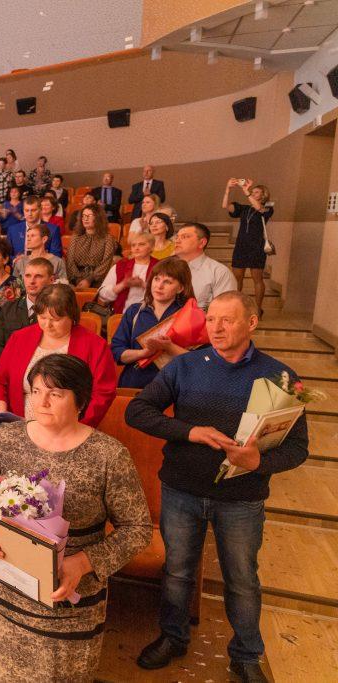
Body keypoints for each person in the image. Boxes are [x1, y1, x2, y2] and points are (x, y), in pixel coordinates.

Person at [126, 292, 308, 682]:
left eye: (227, 320)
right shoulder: (185, 366)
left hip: (241, 498)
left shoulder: (279, 376)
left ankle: (245, 655)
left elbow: (298, 448)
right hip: (182, 489)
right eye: (211, 321)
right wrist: (189, 431)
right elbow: (137, 411)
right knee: (177, 571)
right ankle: (172, 637)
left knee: (241, 579)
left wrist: (261, 462)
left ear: (252, 323)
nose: (217, 328)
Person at [0, 353, 151, 681]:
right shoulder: (7, 438)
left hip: (65, 609)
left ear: (80, 399)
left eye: (55, 393)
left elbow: (137, 529)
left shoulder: (107, 456)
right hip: (4, 598)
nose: (42, 401)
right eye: (36, 391)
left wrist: (82, 562)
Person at [0, 284, 116, 427]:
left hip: (70, 429)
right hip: (18, 425)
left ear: (72, 316)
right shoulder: (20, 338)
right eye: (42, 317)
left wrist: (79, 426)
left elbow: (103, 393)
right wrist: (2, 415)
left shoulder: (95, 345)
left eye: (55, 320)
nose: (47, 325)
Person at [111, 258, 194, 389]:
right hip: (134, 384)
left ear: (180, 288)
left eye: (167, 282)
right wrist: (144, 353)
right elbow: (116, 352)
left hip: (173, 386)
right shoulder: (134, 311)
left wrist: (169, 347)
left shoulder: (189, 315)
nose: (159, 286)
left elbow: (200, 360)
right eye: (156, 279)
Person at [224, 179, 273, 317]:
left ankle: (258, 308)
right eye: (253, 191)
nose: (253, 193)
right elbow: (225, 206)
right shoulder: (245, 208)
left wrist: (246, 192)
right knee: (237, 277)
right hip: (241, 246)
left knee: (257, 278)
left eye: (257, 192)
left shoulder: (267, 208)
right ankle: (236, 306)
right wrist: (228, 189)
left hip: (256, 246)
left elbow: (258, 208)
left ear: (263, 195)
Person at [174, 223, 238, 309]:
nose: (177, 241)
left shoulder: (219, 272)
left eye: (185, 237)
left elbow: (226, 309)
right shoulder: (167, 268)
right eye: (177, 237)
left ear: (202, 243)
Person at [98, 232, 158, 314]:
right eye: (133, 245)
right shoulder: (120, 266)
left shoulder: (160, 266)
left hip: (150, 315)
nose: (136, 248)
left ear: (152, 247)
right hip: (121, 314)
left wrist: (143, 285)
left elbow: (167, 293)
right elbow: (102, 295)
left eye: (141, 244)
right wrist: (123, 284)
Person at [66, 205, 116, 288]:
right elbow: (70, 260)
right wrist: (78, 280)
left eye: (89, 216)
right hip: (76, 279)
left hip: (98, 280)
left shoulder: (108, 238)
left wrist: (89, 280)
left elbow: (106, 263)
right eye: (83, 216)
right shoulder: (76, 236)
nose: (85, 219)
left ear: (98, 218)